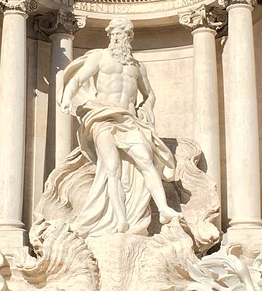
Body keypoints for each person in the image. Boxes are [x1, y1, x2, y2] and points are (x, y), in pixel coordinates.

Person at [59, 17, 178, 235]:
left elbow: (149, 94)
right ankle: (121, 220)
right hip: (103, 117)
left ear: (129, 37)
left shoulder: (137, 67)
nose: (115, 37)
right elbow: (77, 80)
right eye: (112, 33)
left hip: (129, 120)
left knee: (146, 160)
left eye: (120, 33)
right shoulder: (100, 57)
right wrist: (67, 97)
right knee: (111, 168)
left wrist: (146, 108)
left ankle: (163, 210)